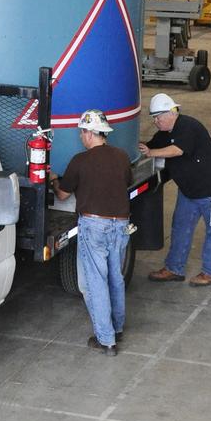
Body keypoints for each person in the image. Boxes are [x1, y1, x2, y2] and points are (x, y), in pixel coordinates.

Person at [51, 110, 131, 356]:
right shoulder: (122, 156)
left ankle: (106, 340)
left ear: (88, 133)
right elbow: (124, 182)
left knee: (93, 283)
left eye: (81, 133)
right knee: (115, 277)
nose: (81, 137)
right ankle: (116, 328)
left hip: (94, 226)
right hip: (121, 224)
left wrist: (54, 180)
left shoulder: (80, 160)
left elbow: (63, 195)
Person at [140, 92, 211, 287]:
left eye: (158, 117)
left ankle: (210, 272)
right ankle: (174, 268)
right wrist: (140, 148)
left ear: (171, 113)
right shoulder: (164, 134)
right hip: (189, 189)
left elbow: (178, 150)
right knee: (180, 227)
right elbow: (150, 146)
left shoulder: (189, 126)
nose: (156, 121)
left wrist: (152, 152)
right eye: (154, 118)